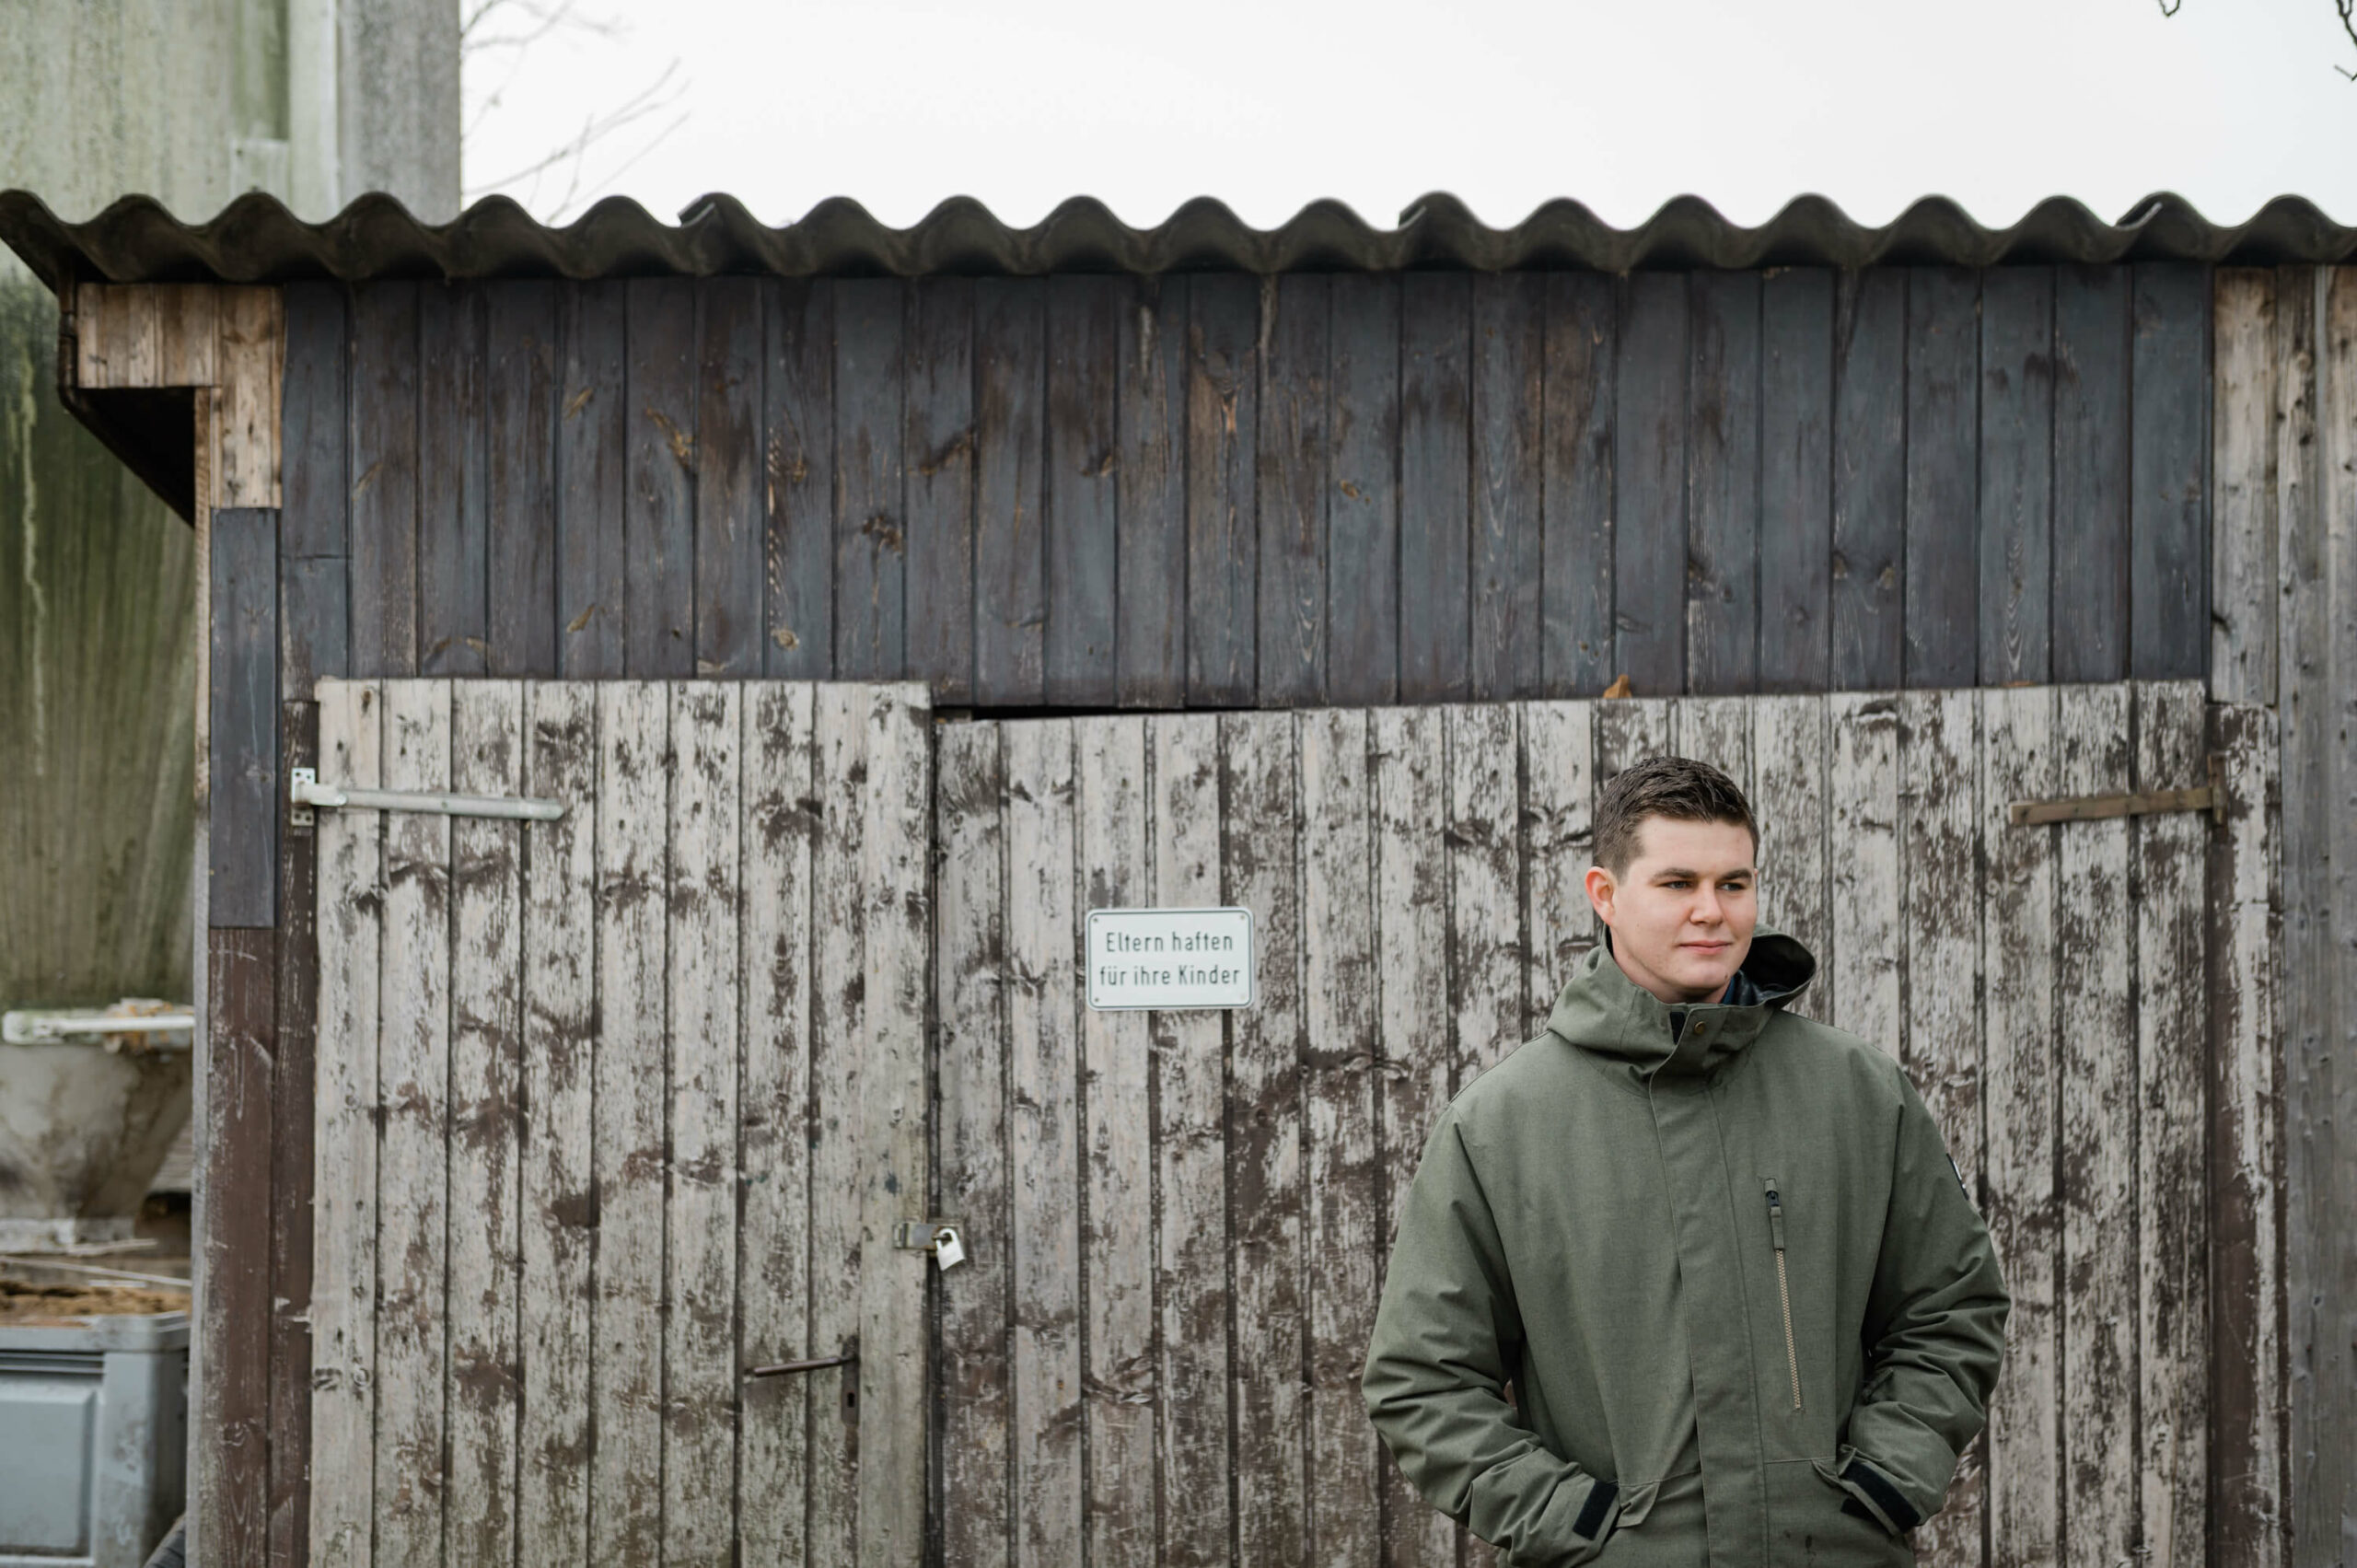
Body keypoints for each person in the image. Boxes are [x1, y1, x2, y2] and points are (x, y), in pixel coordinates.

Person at [1362, 755, 2009, 1567]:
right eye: (1677, 884)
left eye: (1733, 883)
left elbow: (1951, 1307)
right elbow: (1421, 1378)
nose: (1712, 911)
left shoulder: (1857, 1093)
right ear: (1606, 894)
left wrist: (1883, 1481)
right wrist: (1577, 1523)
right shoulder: (1501, 1126)